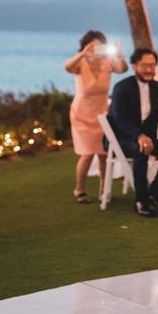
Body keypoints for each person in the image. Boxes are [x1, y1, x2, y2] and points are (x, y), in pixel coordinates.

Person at [64, 30, 127, 204]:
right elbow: (67, 67)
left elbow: (123, 69)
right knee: (86, 154)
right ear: (85, 46)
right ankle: (79, 189)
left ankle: (103, 189)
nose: (97, 48)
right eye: (93, 45)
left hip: (102, 114)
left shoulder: (107, 62)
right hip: (81, 115)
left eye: (100, 44)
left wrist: (120, 55)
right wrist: (84, 53)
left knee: (103, 153)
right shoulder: (80, 63)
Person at [107, 48, 158, 215]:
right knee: (140, 149)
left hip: (143, 137)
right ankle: (140, 201)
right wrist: (140, 137)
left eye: (153, 65)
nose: (150, 69)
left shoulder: (157, 87)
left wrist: (152, 141)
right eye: (145, 65)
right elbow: (120, 119)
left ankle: (154, 194)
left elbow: (152, 118)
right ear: (134, 66)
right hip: (119, 138)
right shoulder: (121, 87)